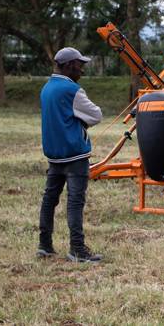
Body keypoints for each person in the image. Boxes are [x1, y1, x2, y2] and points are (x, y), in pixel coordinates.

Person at [38, 47, 103, 263]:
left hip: (54, 156)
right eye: (79, 64)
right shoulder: (72, 90)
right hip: (75, 156)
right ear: (67, 66)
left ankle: (44, 245)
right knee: (75, 202)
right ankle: (77, 249)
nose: (82, 69)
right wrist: (80, 122)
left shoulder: (46, 88)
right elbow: (96, 115)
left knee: (49, 200)